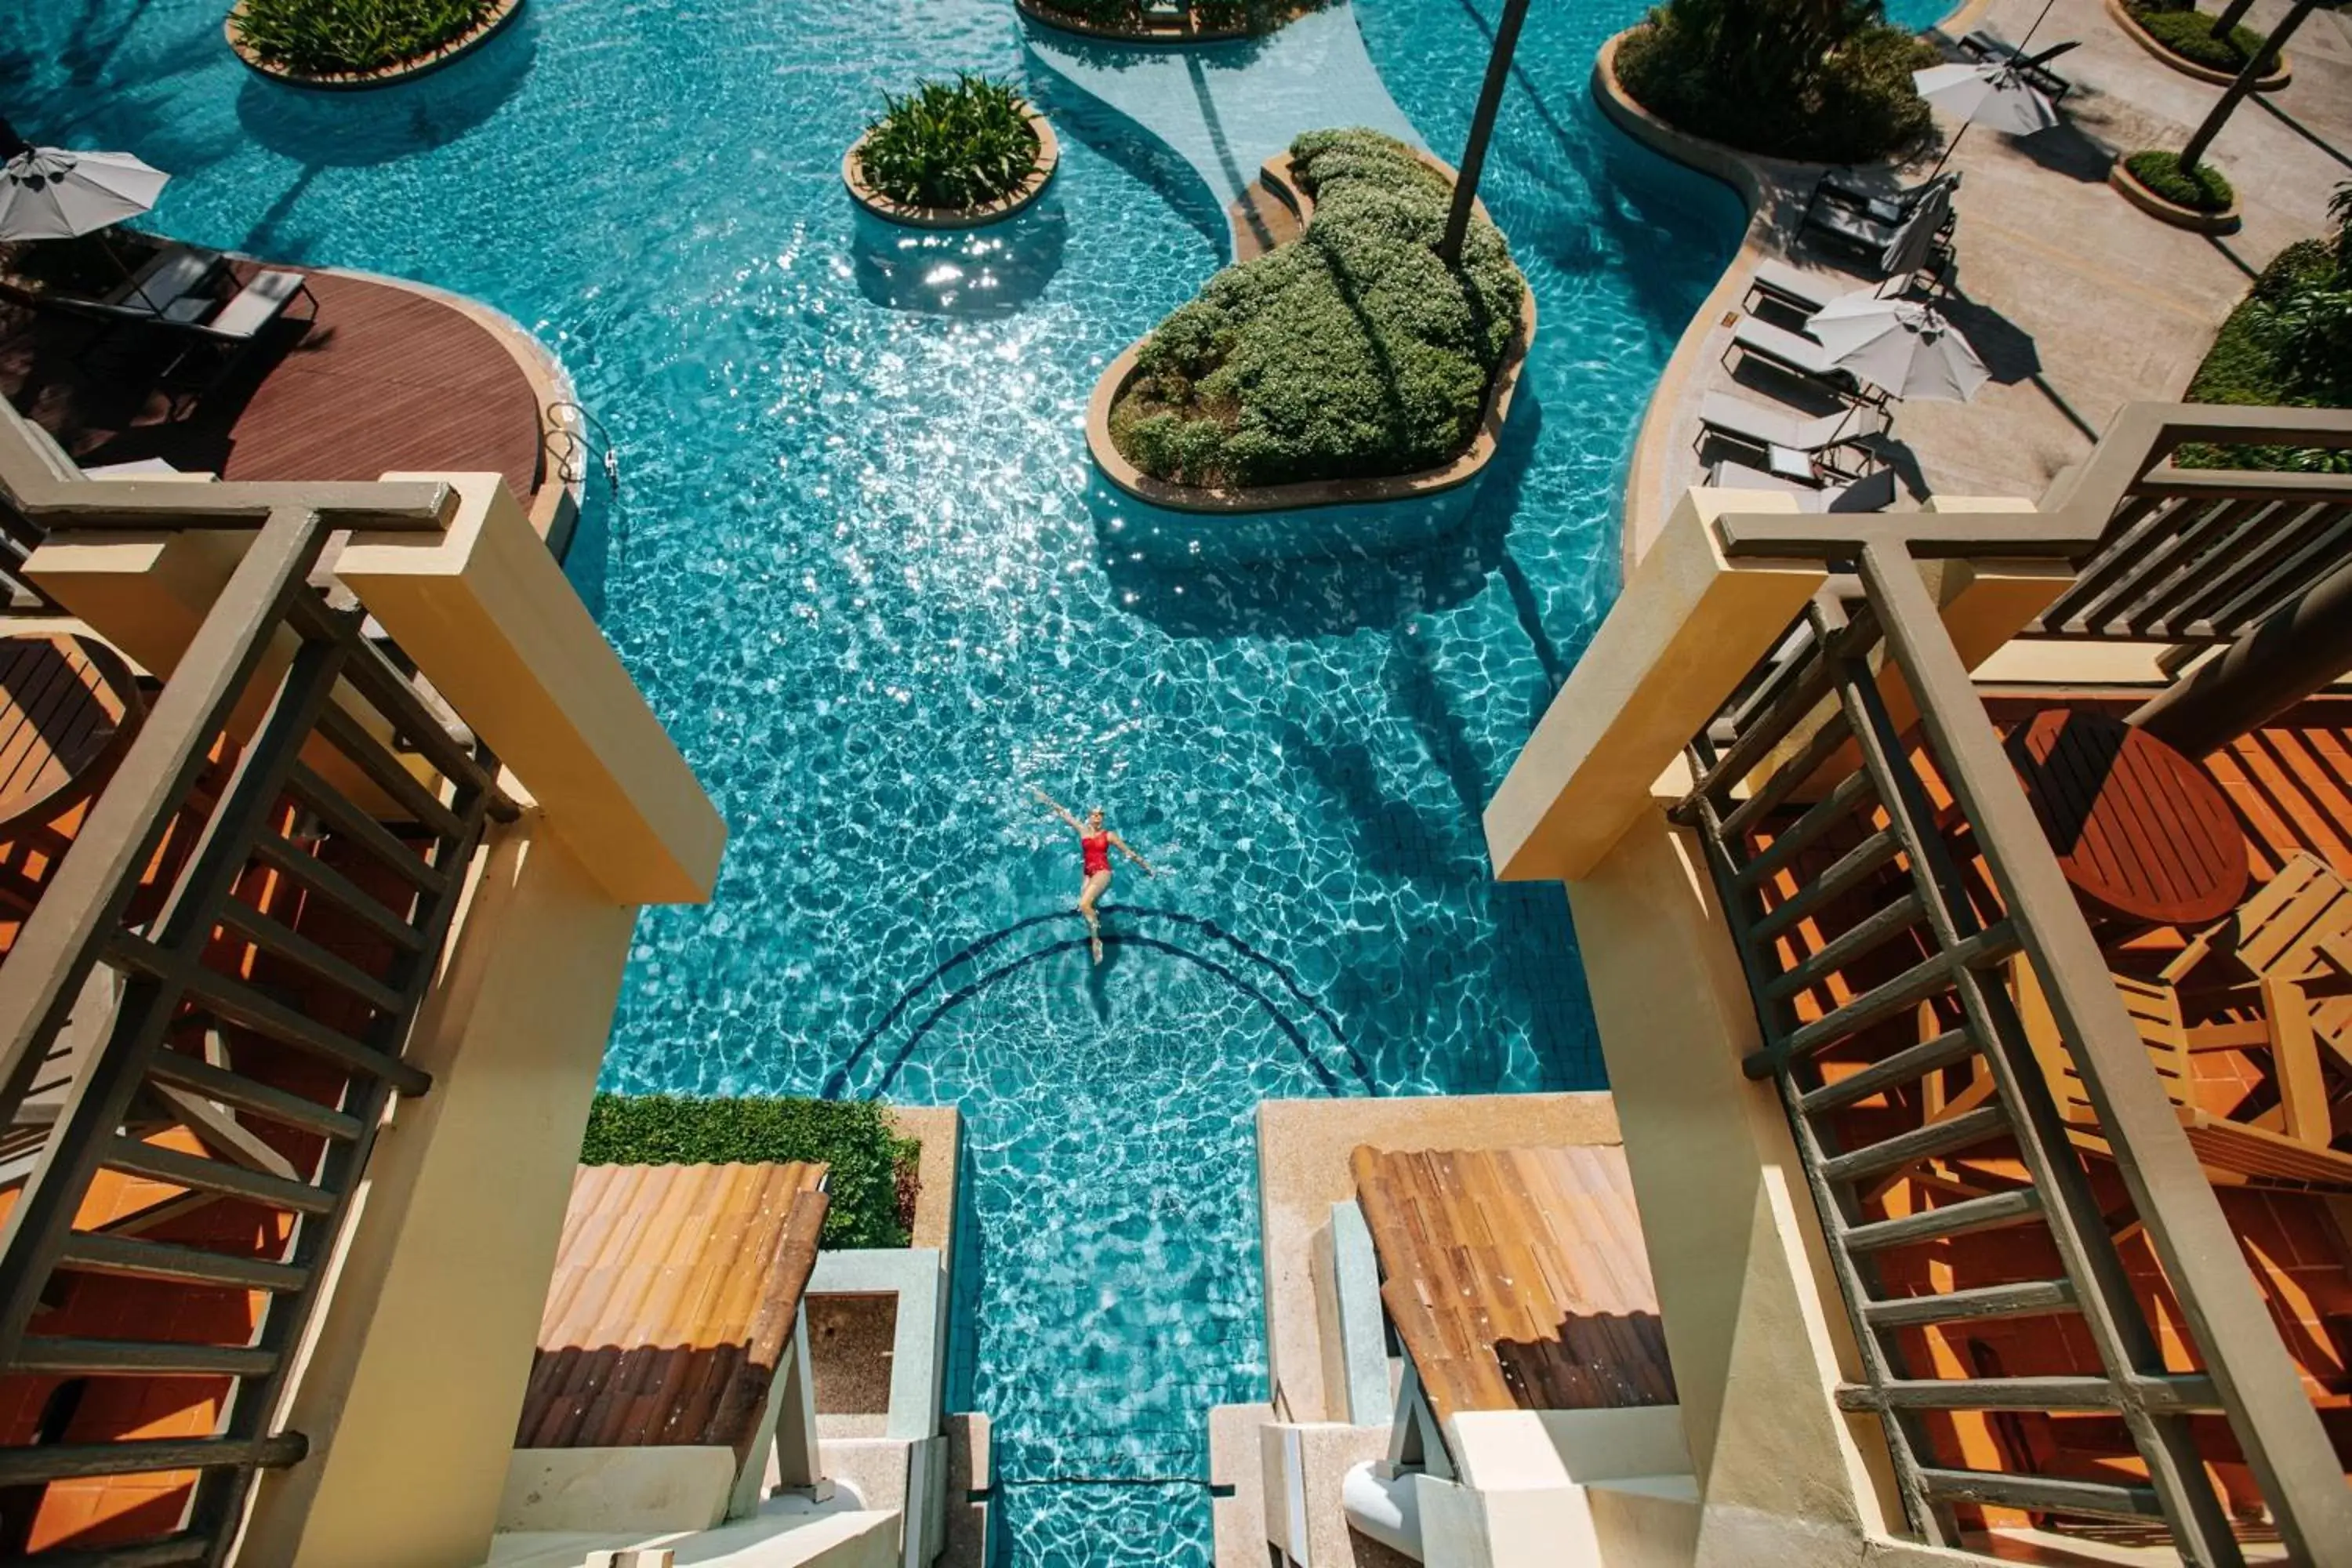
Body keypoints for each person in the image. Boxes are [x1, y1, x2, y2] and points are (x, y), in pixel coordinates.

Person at [1033, 786, 1156, 963]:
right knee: (1088, 908)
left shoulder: (1109, 835)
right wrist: (1046, 799)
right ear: (1090, 817)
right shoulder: (1082, 830)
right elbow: (1064, 814)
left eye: (1100, 815)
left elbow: (1128, 852)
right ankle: (1097, 930)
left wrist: (1147, 866)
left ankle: (1096, 941)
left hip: (1102, 872)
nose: (1097, 817)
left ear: (1102, 818)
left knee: (1083, 904)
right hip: (1088, 873)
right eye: (1094, 814)